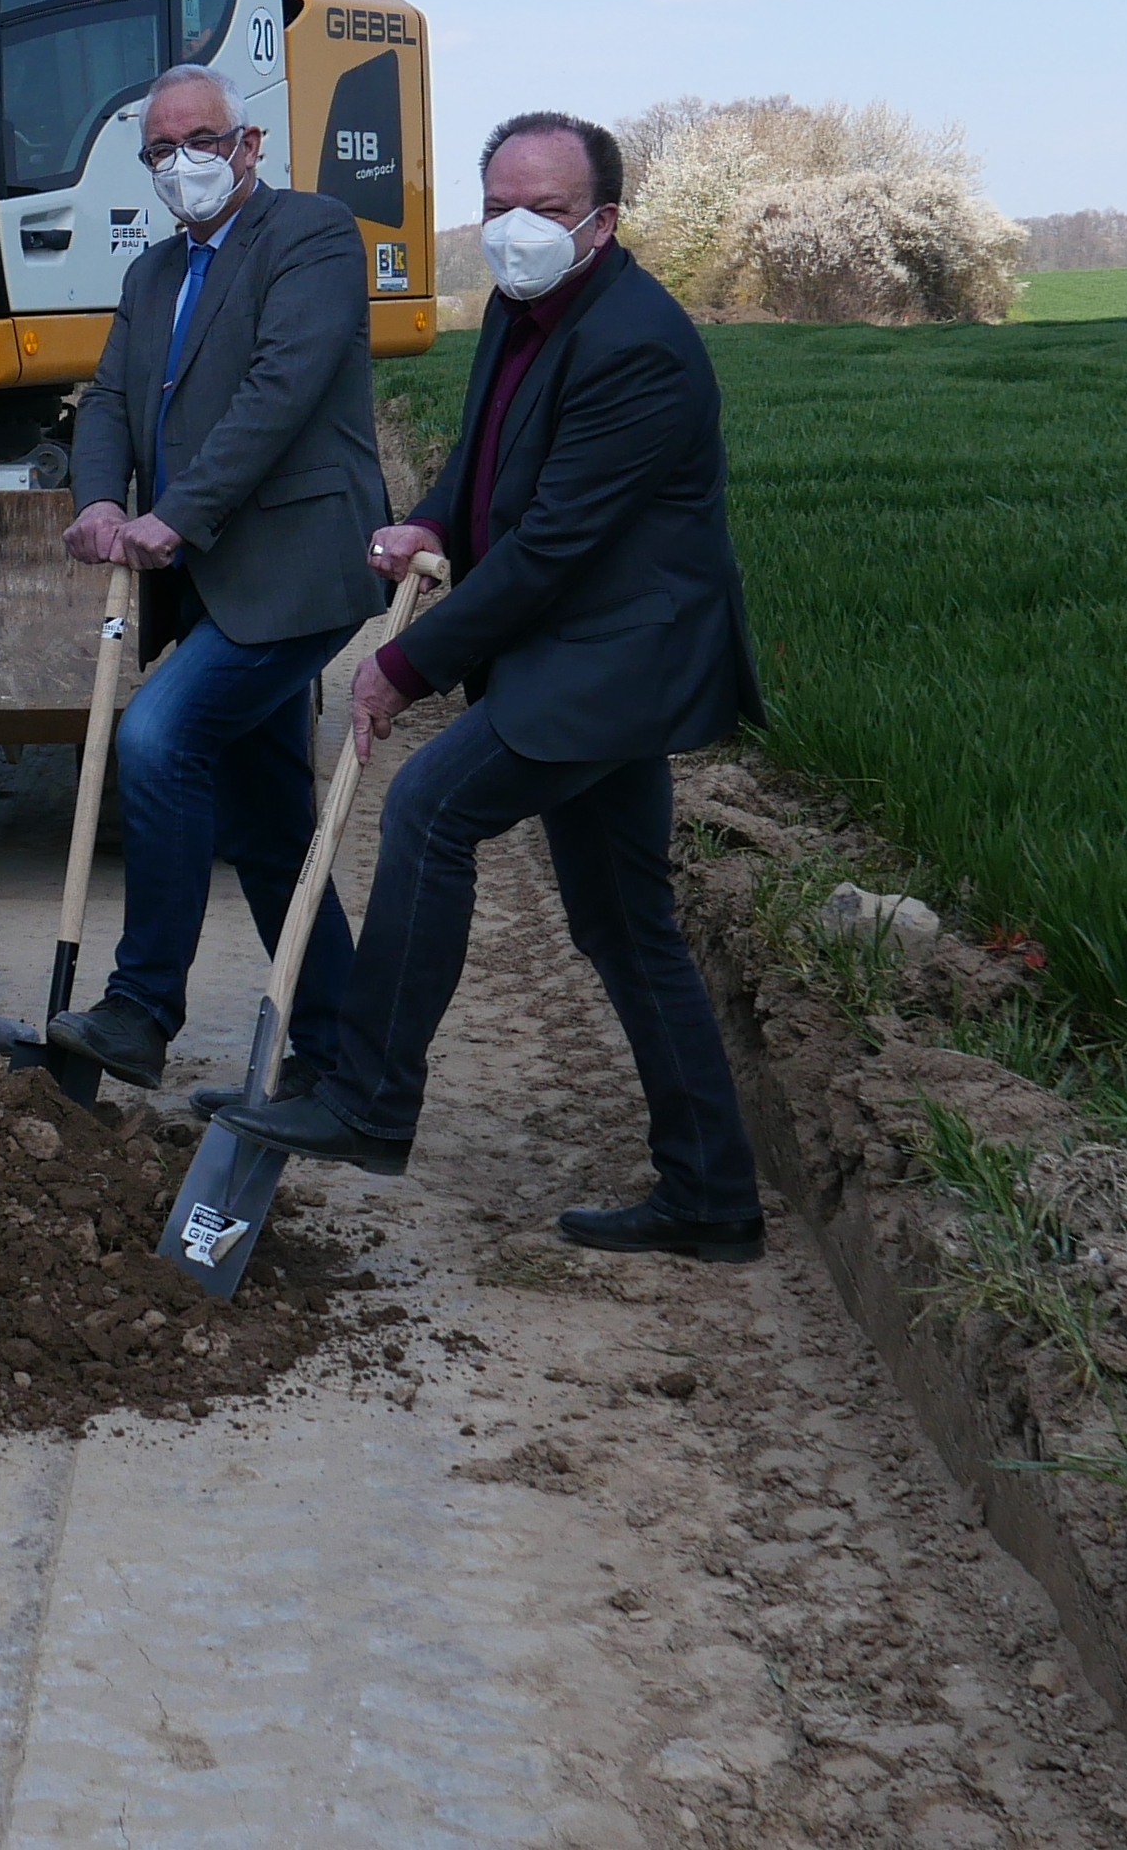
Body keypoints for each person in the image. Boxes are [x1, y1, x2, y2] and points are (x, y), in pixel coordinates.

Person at [210, 111, 773, 1262]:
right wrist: (429, 517)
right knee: (626, 927)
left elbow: (554, 545)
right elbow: (486, 459)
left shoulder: (635, 343)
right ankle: (712, 1196)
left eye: (549, 210)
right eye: (500, 205)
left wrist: (403, 666)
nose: (518, 229)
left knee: (426, 813)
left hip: (619, 660)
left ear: (602, 222)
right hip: (585, 653)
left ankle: (368, 1098)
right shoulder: (525, 310)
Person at [37, 66, 392, 1090]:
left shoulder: (312, 236)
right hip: (216, 582)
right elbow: (105, 400)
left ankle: (142, 1008)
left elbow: (281, 390)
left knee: (157, 738)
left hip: (296, 566)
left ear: (248, 145)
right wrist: (99, 503)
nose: (181, 163)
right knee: (271, 821)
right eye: (161, 149)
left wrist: (174, 517)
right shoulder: (153, 275)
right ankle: (338, 1051)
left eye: (201, 140)